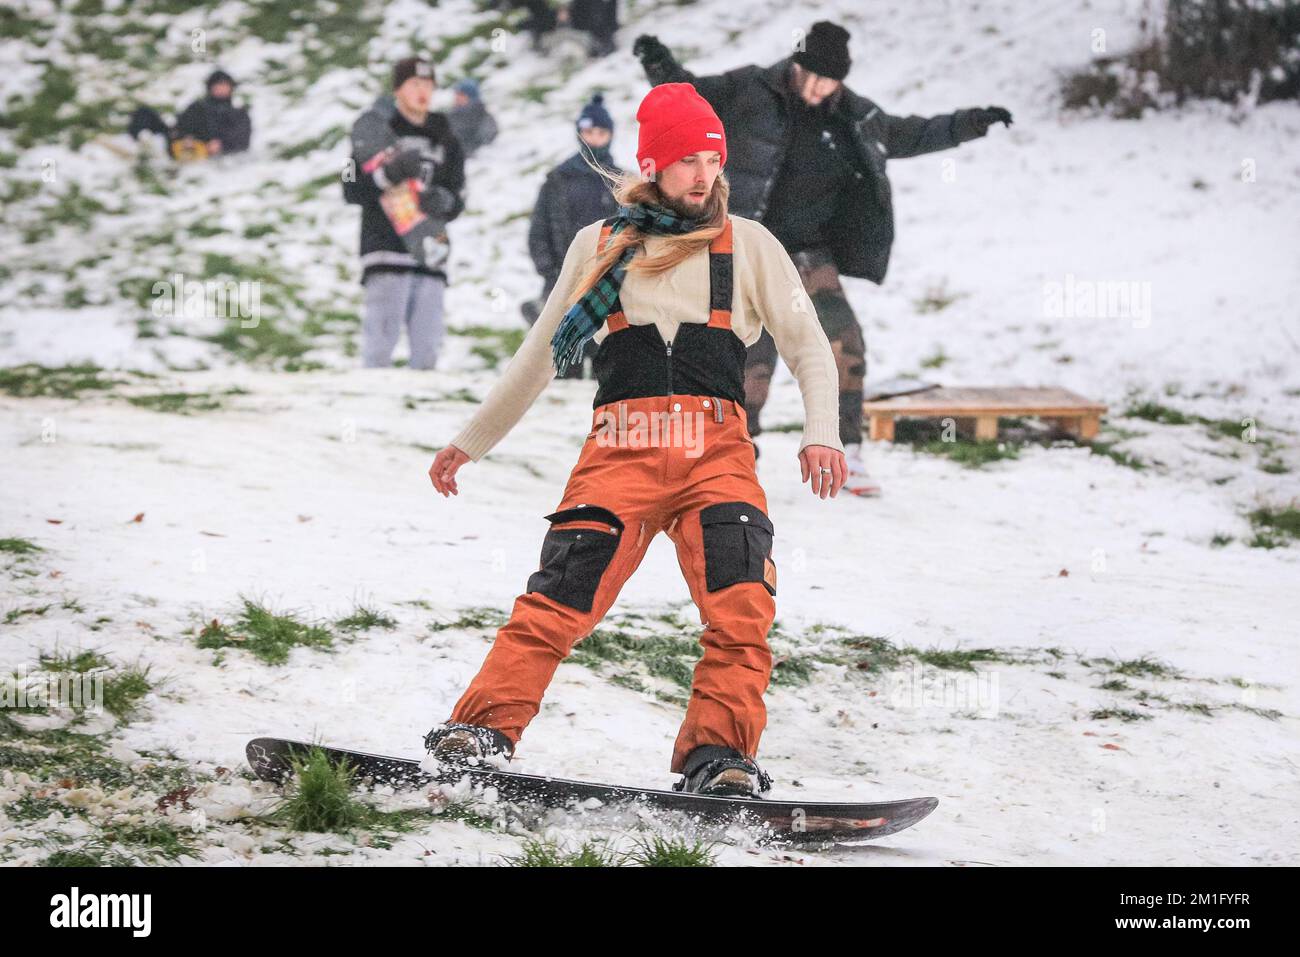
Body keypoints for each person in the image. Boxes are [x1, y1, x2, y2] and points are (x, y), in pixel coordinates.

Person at [424, 83, 847, 797]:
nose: (702, 174)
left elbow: (808, 344)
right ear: (651, 164)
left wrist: (822, 434)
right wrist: (471, 441)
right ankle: (483, 728)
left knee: (740, 607)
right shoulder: (601, 245)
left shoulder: (753, 246)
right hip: (619, 452)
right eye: (685, 160)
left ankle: (720, 757)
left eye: (712, 158)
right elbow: (540, 353)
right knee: (558, 597)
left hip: (718, 456)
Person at [635, 22, 1013, 494]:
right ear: (795, 64)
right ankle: (732, 451)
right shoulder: (750, 89)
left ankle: (848, 451)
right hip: (749, 247)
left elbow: (910, 134)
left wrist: (972, 122)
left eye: (828, 80)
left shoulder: (856, 116)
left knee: (844, 344)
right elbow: (690, 95)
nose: (816, 87)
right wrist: (657, 61)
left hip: (810, 255)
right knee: (749, 355)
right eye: (809, 74)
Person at [342, 57, 466, 369]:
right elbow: (348, 185)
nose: (422, 91)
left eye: (428, 84)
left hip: (430, 249)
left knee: (427, 350)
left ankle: (420, 414)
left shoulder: (447, 137)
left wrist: (445, 201)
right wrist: (386, 175)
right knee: (379, 348)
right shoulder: (374, 131)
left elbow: (460, 193)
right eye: (414, 84)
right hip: (385, 250)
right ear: (397, 90)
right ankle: (372, 407)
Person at [522, 93, 623, 378]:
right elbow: (538, 232)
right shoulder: (558, 180)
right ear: (579, 133)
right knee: (565, 364)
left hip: (611, 286)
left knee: (610, 363)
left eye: (601, 132)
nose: (594, 138)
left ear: (610, 135)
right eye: (589, 131)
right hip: (563, 282)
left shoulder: (622, 181)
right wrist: (551, 271)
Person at [127, 69, 252, 160]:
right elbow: (181, 125)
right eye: (217, 85)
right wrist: (184, 137)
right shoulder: (198, 107)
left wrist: (221, 145)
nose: (220, 88)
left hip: (208, 152)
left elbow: (242, 138)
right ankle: (139, 145)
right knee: (144, 113)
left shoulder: (238, 114)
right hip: (181, 145)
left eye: (224, 85)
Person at [447, 78, 499, 158]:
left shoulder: (484, 118)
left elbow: (486, 143)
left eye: (461, 94)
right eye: (456, 94)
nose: (456, 98)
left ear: (471, 97)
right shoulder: (450, 116)